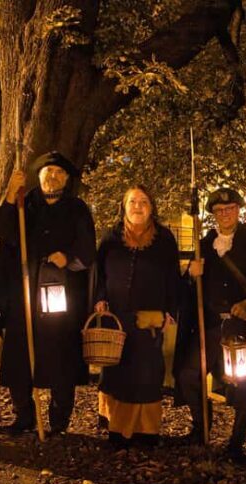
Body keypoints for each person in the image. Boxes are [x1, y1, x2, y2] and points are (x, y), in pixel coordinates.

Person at [0, 151, 96, 435]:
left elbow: (88, 250)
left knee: (62, 357)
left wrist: (69, 256)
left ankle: (58, 421)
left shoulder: (77, 208)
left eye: (59, 173)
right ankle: (25, 415)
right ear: (39, 176)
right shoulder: (24, 204)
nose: (53, 177)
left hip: (62, 298)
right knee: (19, 356)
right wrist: (11, 193)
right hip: (24, 294)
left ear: (67, 179)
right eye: (48, 171)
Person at [174, 188, 246, 459]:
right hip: (210, 325)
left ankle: (236, 443)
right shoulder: (205, 244)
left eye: (230, 209)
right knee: (188, 375)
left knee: (244, 385)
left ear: (239, 210)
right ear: (213, 214)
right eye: (219, 211)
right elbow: (189, 291)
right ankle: (202, 427)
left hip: (242, 327)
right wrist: (191, 273)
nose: (225, 214)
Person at [94, 185, 180, 447]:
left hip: (149, 319)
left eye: (143, 201)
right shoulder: (110, 238)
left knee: (147, 374)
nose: (138, 206)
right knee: (117, 373)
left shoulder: (164, 239)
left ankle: (145, 433)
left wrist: (169, 312)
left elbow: (173, 278)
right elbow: (98, 273)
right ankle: (117, 430)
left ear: (151, 207)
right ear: (124, 206)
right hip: (117, 316)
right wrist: (99, 299)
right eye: (132, 201)